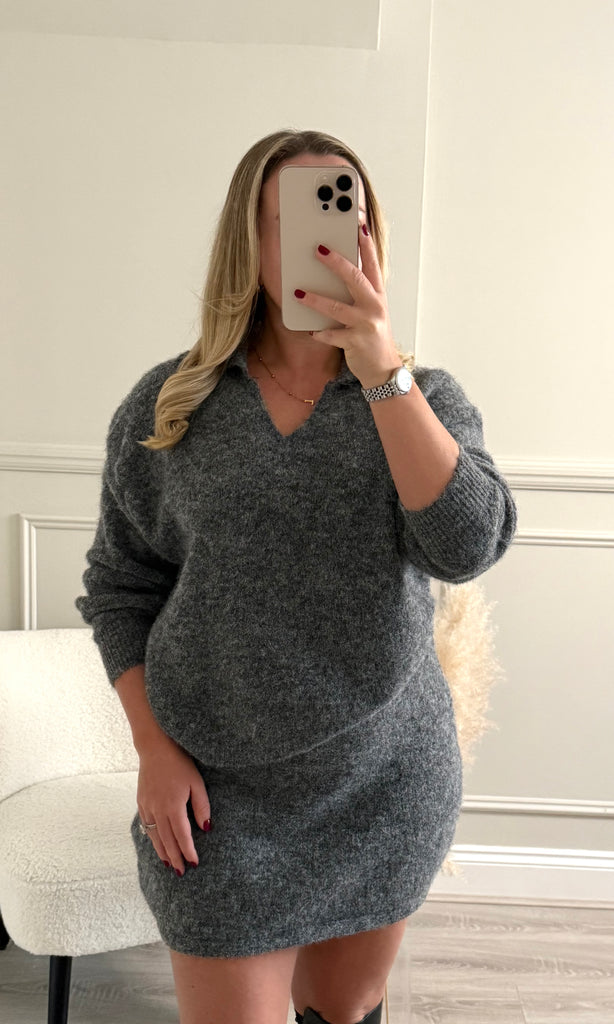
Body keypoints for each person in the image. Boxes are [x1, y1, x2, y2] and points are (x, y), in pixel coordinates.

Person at [75, 128, 518, 1024]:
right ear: (250, 240)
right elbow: (121, 587)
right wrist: (154, 750)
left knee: (342, 1013)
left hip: (382, 781)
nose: (323, 241)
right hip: (218, 793)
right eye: (292, 218)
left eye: (343, 213)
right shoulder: (170, 407)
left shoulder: (423, 397)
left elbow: (467, 547)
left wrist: (382, 372)